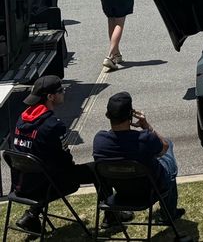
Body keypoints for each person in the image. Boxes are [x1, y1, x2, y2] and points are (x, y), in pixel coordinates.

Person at [11, 76, 129, 233]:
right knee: (98, 169)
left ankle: (32, 215)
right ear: (50, 97)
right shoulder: (53, 125)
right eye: (61, 90)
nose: (63, 93)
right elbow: (64, 161)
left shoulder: (21, 119)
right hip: (44, 186)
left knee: (45, 169)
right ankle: (111, 217)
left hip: (21, 184)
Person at [93, 93, 184, 224]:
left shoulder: (99, 140)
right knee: (168, 149)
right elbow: (164, 147)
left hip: (122, 192)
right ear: (130, 115)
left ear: (108, 115)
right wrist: (146, 126)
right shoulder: (145, 138)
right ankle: (169, 213)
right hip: (150, 190)